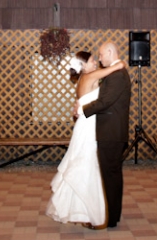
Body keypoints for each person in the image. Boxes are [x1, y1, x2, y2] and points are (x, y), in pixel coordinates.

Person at [45, 51, 125, 228]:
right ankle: (90, 211)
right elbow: (117, 67)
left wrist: (78, 107)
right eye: (91, 60)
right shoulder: (91, 76)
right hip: (89, 126)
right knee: (88, 166)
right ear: (82, 66)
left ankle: (84, 210)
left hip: (86, 123)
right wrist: (118, 62)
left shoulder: (83, 79)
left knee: (85, 164)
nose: (96, 62)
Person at [82, 42, 131, 229]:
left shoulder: (117, 75)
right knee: (113, 175)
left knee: (110, 176)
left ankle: (111, 219)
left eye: (101, 55)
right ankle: (113, 215)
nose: (100, 58)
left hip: (111, 133)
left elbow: (106, 101)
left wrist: (83, 109)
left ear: (110, 52)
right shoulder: (116, 73)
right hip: (113, 132)